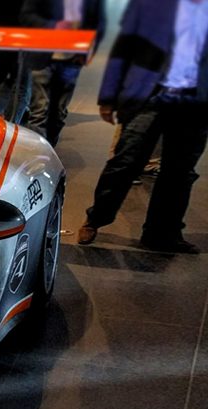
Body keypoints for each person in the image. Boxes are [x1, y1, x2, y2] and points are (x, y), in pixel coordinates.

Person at [77, 0, 208, 253]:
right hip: (149, 97)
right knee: (125, 162)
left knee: (179, 173)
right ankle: (96, 218)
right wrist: (108, 96)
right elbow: (123, 49)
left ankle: (161, 234)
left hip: (195, 103)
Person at [21, 0, 105, 146]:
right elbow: (26, 16)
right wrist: (53, 26)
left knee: (58, 114)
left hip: (72, 59)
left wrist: (87, 52)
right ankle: (38, 154)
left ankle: (49, 149)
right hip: (42, 56)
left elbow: (98, 23)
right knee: (39, 112)